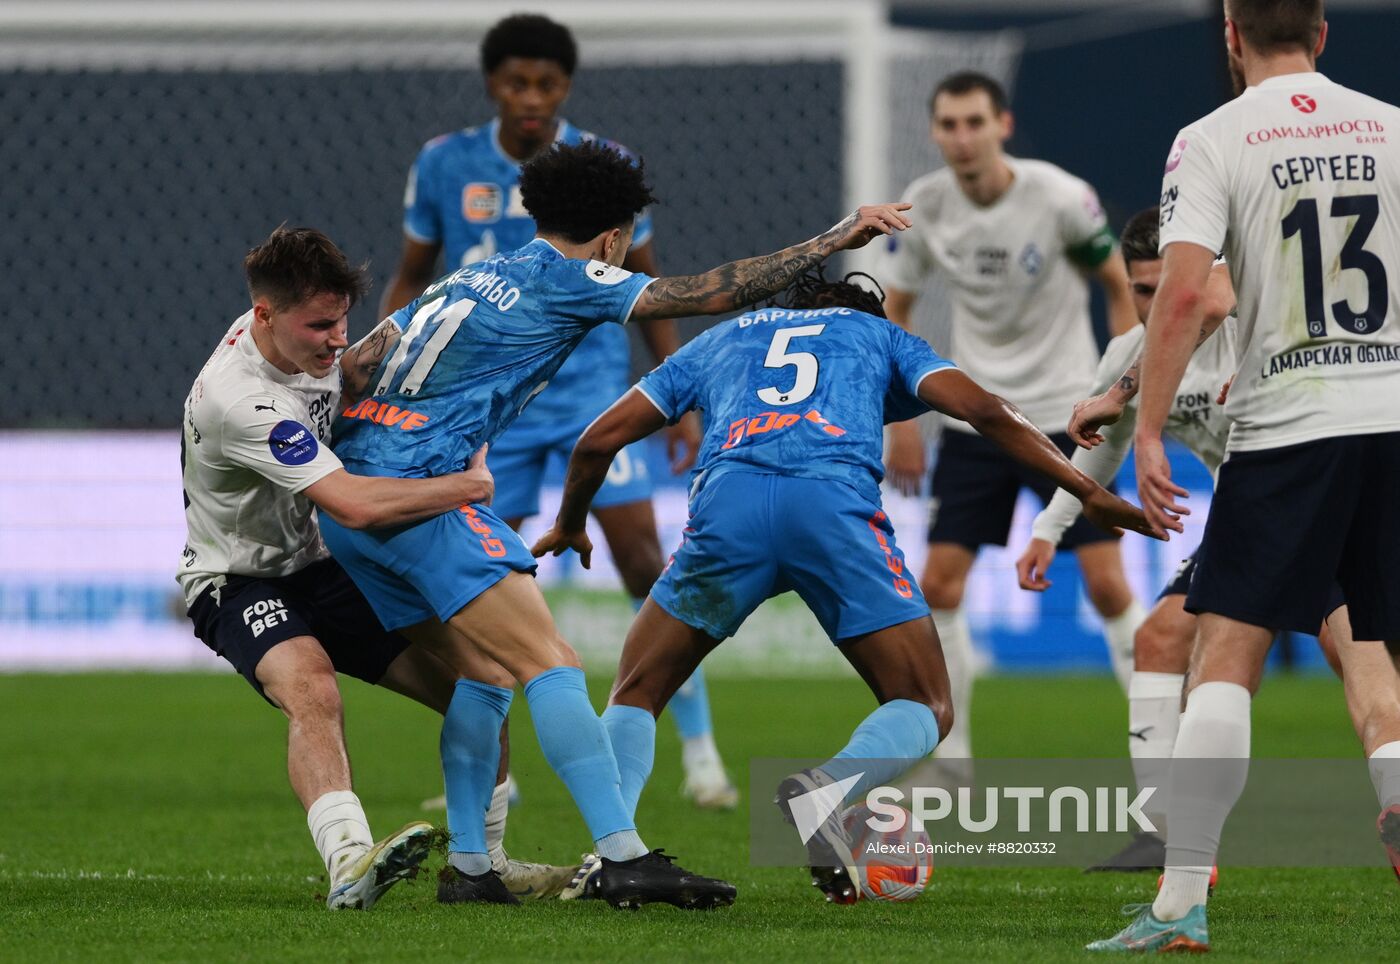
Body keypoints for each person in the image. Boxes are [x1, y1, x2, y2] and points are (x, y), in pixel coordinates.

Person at [322, 139, 914, 907]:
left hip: (352, 499)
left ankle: (470, 868)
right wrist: (834, 238)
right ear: (611, 237)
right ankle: (623, 855)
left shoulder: (469, 274)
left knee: (484, 675)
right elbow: (704, 294)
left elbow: (360, 358)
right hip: (418, 497)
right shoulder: (571, 280)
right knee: (551, 662)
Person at [529, 267, 1158, 904]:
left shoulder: (724, 337)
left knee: (637, 688)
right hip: (830, 511)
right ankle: (824, 789)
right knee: (925, 702)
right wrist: (1087, 492)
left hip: (728, 512)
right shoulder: (881, 337)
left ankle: (613, 854)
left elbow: (598, 439)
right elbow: (988, 413)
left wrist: (570, 522)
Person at [1086, 0, 1400, 951]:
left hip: (1289, 423)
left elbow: (1185, 289)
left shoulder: (1213, 136)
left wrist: (1146, 428)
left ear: (1230, 37)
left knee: (1223, 655)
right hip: (1390, 414)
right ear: (1323, 32)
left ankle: (1182, 902)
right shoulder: (1391, 128)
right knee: (1375, 655)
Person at [380, 13, 733, 808]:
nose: (531, 97)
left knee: (645, 561)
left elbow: (650, 285)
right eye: (517, 82)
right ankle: (492, 773)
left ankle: (702, 751)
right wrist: (389, 361)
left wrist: (675, 399)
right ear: (492, 84)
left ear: (567, 86)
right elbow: (413, 277)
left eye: (547, 83)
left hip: (591, 399)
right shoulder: (444, 164)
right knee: (471, 581)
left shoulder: (605, 167)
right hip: (491, 414)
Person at [178, 226, 572, 908]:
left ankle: (485, 865)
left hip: (324, 565)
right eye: (321, 325)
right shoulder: (239, 400)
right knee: (312, 688)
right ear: (264, 315)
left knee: (485, 680)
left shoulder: (308, 343)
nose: (337, 340)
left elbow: (365, 373)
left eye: (342, 321)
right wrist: (470, 488)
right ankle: (350, 862)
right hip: (239, 578)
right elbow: (354, 505)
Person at [879, 71, 1145, 771]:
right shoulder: (927, 206)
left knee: (1110, 585)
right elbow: (895, 312)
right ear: (934, 131)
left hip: (1067, 418)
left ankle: (1161, 749)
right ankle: (954, 754)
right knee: (937, 584)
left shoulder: (1059, 197)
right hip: (979, 422)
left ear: (1003, 124)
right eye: (948, 125)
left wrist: (1125, 395)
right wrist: (900, 422)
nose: (961, 138)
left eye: (974, 122)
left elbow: (1119, 288)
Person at [1013, 208, 1237, 873]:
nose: (1153, 304)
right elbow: (1095, 460)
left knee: (1364, 660)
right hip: (1249, 521)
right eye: (1141, 290)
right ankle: (1164, 832)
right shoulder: (1124, 358)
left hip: (1311, 503)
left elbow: (1214, 305)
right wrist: (1046, 532)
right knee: (1158, 639)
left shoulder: (1247, 318)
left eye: (1166, 287)